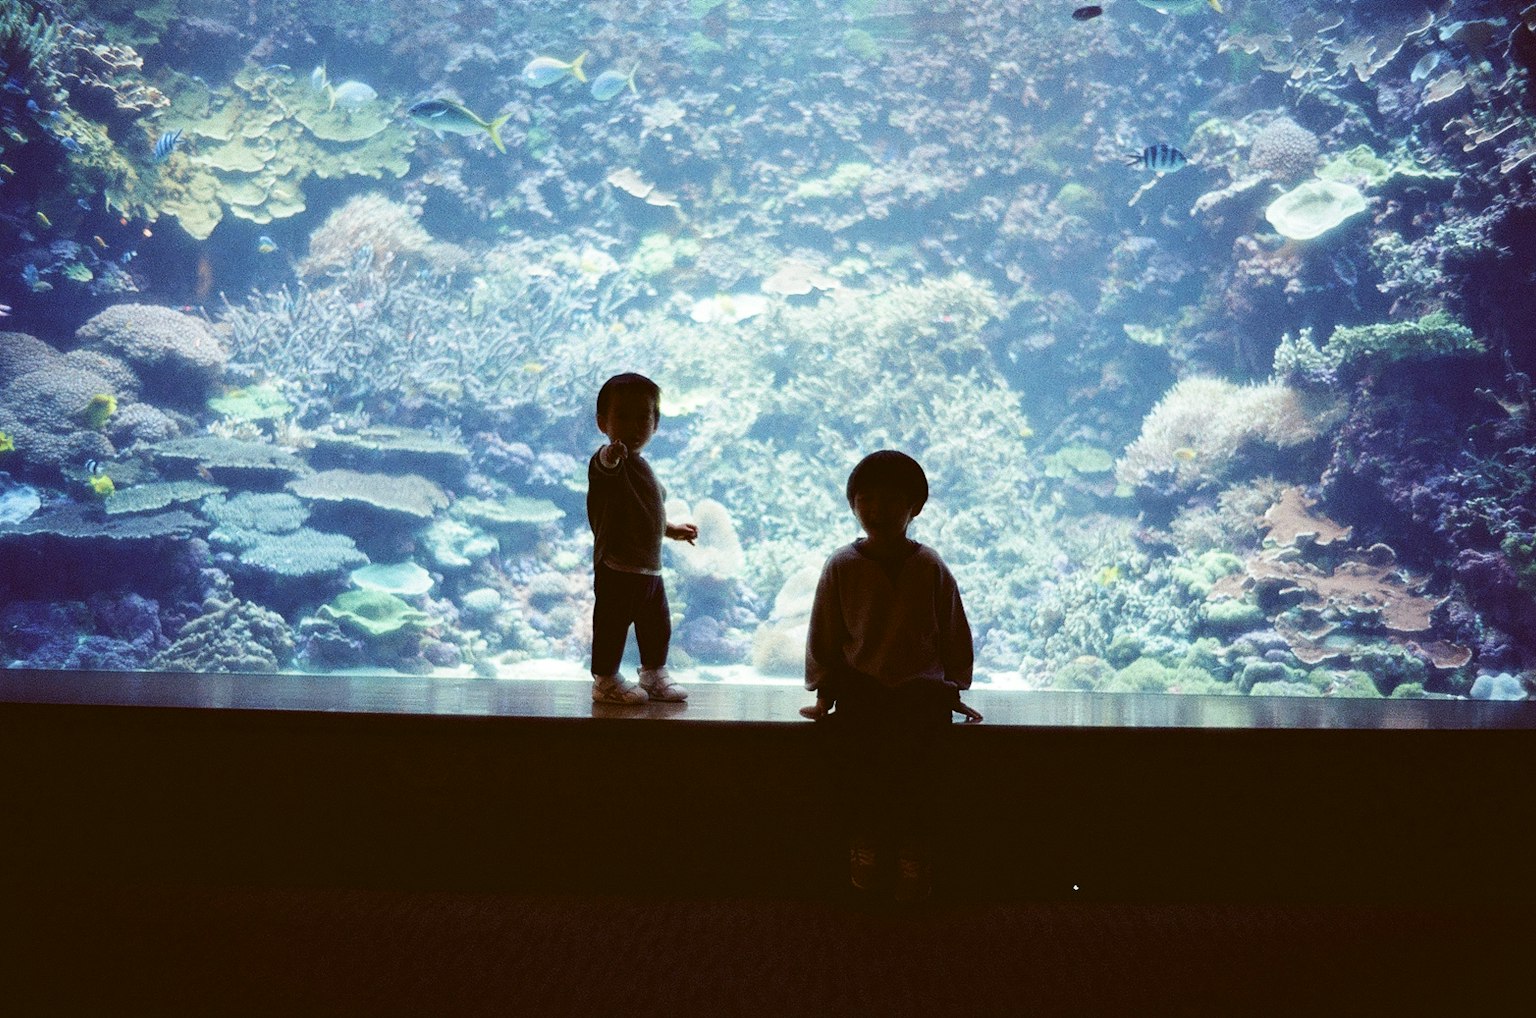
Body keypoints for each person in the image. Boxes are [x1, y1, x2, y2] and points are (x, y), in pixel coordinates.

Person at [799, 450, 976, 901]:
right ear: (852, 503)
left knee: (919, 775)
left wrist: (954, 686)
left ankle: (914, 849)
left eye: (891, 500)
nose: (877, 510)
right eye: (867, 498)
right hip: (863, 691)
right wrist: (823, 692)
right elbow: (825, 631)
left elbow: (952, 626)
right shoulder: (841, 565)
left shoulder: (930, 565)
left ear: (914, 507)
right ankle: (867, 844)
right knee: (863, 771)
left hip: (921, 693)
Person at [587, 372, 698, 704]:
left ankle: (653, 673)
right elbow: (603, 470)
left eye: (643, 417)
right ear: (601, 421)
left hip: (650, 570)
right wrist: (611, 455)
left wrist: (671, 529)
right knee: (612, 625)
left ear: (656, 423)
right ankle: (605, 680)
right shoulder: (609, 461)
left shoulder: (644, 468)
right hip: (618, 567)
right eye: (622, 416)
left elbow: (648, 512)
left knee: (657, 626)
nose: (634, 425)